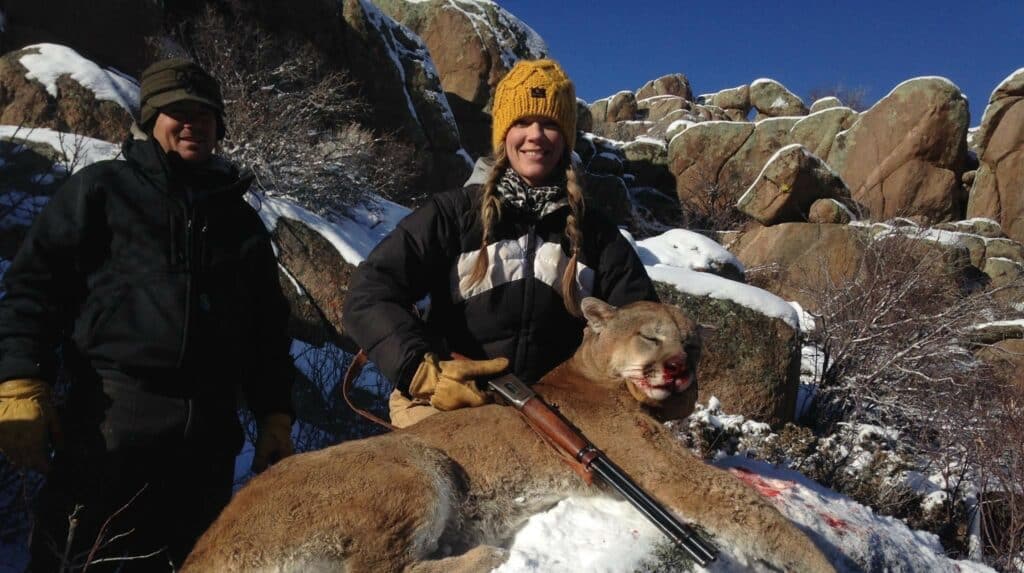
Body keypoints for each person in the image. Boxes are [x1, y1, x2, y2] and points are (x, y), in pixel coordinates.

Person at [0, 58, 295, 570]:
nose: (193, 123)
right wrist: (20, 381)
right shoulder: (101, 191)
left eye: (205, 115)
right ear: (150, 118)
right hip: (109, 425)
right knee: (76, 561)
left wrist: (275, 415)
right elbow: (32, 290)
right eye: (177, 111)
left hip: (207, 446)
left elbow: (266, 331)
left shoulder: (239, 220)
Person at [342, 59, 657, 428]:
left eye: (550, 124)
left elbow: (645, 324)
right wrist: (422, 373)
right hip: (447, 404)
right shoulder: (453, 214)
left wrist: (663, 382)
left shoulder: (598, 236)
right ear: (504, 134)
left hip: (556, 414)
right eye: (522, 122)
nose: (535, 135)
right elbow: (369, 293)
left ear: (567, 137)